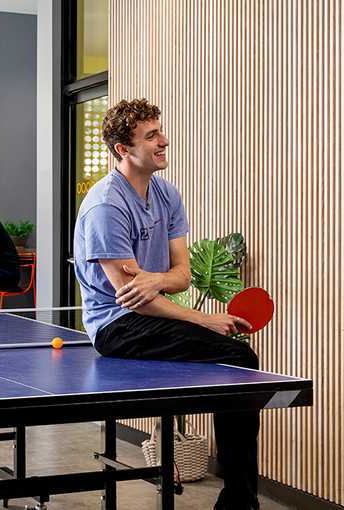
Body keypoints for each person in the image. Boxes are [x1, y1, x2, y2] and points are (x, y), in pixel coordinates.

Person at [73, 98, 260, 510]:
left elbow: (182, 274)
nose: (165, 140)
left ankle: (239, 496)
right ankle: (240, 500)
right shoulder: (106, 207)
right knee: (240, 359)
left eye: (161, 130)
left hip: (150, 314)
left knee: (238, 362)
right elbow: (132, 300)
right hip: (115, 326)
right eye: (151, 135)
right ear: (123, 149)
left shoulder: (166, 193)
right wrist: (205, 320)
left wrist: (156, 278)